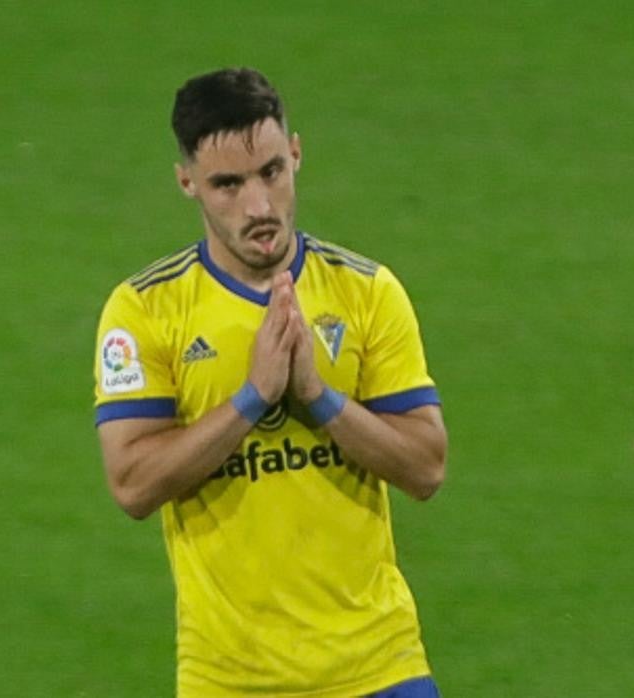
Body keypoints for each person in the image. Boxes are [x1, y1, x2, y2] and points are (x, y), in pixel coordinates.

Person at [91, 67, 447, 698]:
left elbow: (425, 467)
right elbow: (133, 484)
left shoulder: (366, 292)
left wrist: (319, 398)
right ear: (187, 184)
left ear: (297, 155)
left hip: (379, 667)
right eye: (227, 184)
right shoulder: (144, 310)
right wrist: (252, 397)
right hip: (231, 681)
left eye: (271, 172)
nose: (258, 206)